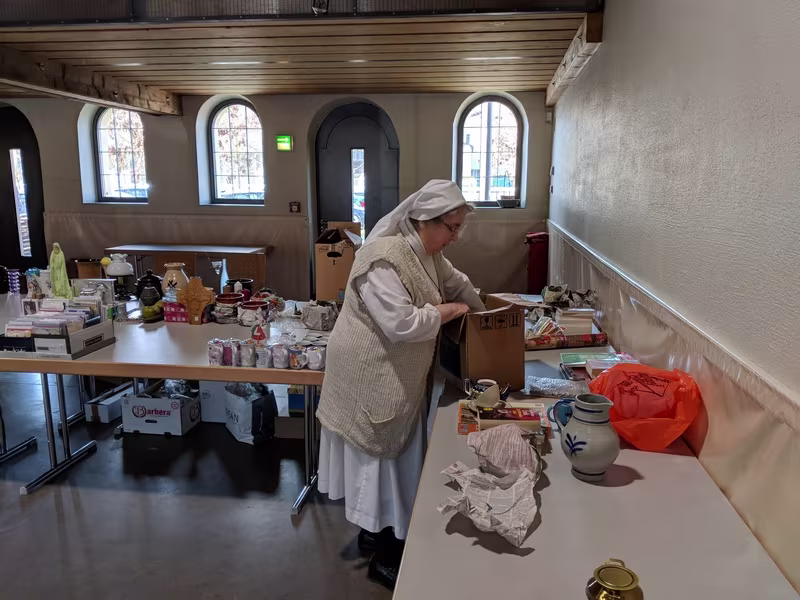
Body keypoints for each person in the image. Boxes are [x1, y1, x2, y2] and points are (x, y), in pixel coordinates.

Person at [316, 179, 485, 590]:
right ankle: (386, 556)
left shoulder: (428, 254)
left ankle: (373, 534)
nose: (455, 237)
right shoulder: (383, 260)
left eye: (459, 228)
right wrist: (452, 310)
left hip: (393, 370)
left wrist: (488, 317)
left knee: (388, 463)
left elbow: (457, 282)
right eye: (452, 227)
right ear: (424, 221)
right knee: (384, 460)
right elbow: (402, 324)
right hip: (369, 373)